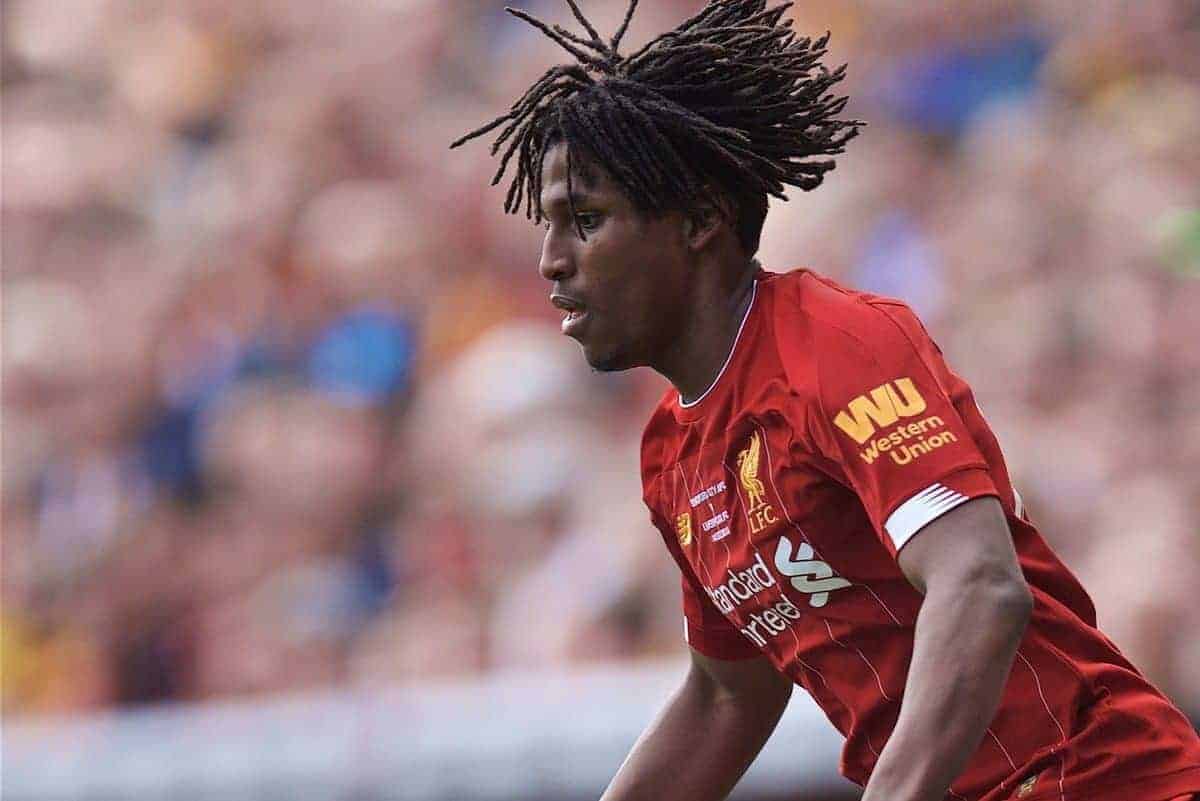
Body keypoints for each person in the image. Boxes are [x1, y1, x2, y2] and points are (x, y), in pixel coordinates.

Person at [452, 2, 1200, 799]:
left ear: (701, 218)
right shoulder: (672, 454)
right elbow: (725, 695)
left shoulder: (834, 346)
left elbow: (980, 586)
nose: (550, 261)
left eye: (586, 221)